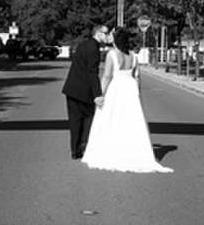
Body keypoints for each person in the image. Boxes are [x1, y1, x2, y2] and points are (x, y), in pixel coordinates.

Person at [81, 27, 173, 173]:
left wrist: (100, 95)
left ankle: (113, 150)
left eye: (111, 34)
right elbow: (137, 76)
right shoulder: (133, 56)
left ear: (116, 38)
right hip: (130, 88)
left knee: (112, 118)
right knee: (131, 120)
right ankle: (132, 150)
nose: (109, 36)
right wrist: (137, 93)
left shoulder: (112, 55)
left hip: (116, 88)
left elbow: (107, 76)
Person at [61, 24, 109, 159]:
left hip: (71, 88)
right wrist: (98, 94)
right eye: (105, 33)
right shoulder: (94, 49)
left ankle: (74, 150)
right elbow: (92, 73)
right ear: (98, 33)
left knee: (74, 121)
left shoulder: (83, 45)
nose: (107, 36)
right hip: (84, 91)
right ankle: (83, 146)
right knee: (87, 120)